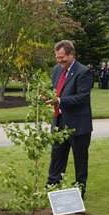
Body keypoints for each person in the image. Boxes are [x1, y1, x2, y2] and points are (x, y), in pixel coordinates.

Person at [43, 40, 93, 199]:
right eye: (57, 58)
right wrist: (47, 95)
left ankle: (79, 189)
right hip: (59, 121)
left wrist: (59, 100)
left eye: (62, 57)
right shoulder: (56, 70)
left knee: (80, 158)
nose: (59, 61)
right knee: (56, 155)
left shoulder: (84, 72)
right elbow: (56, 89)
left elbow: (82, 97)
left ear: (72, 54)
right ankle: (52, 186)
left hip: (78, 124)